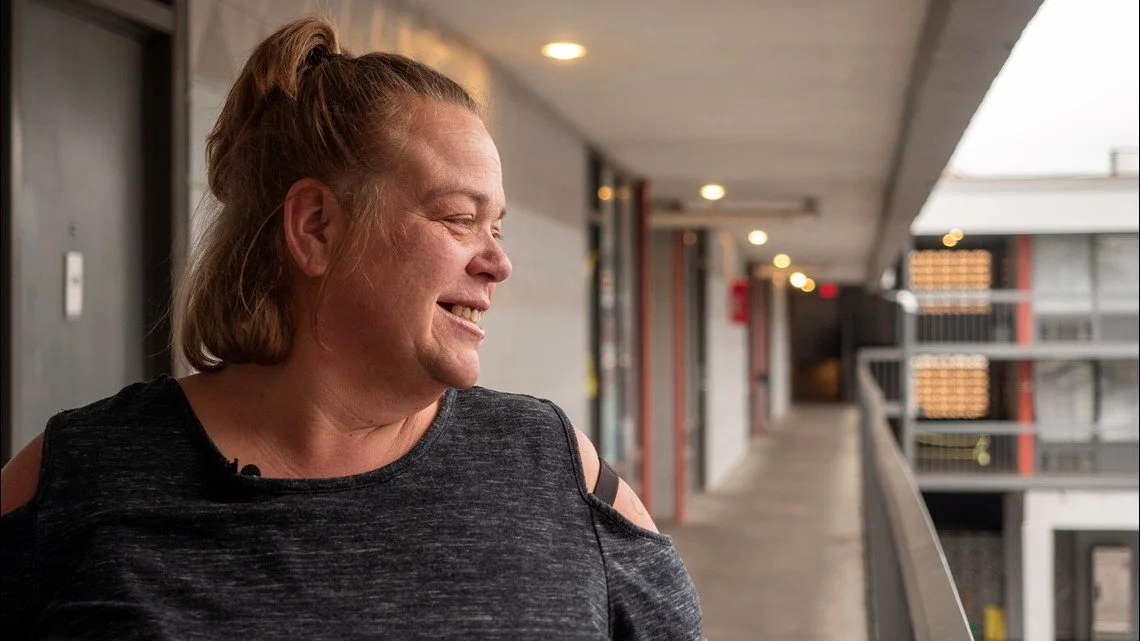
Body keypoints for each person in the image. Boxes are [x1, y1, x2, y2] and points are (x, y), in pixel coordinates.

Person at [0, 17, 703, 640]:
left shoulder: (552, 466)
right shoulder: (79, 474)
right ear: (316, 227)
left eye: (497, 226)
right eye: (459, 218)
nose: (499, 263)